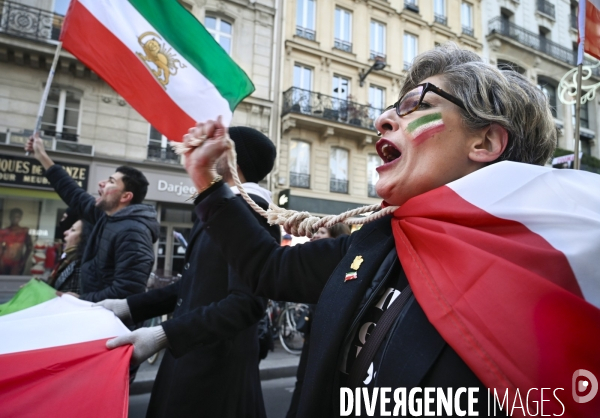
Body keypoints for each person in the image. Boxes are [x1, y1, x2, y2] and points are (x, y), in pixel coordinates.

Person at [179, 44, 600, 417]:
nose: (381, 120)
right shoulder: (377, 238)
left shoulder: (552, 276)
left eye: (417, 104)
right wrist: (208, 185)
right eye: (393, 107)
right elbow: (268, 269)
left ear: (486, 142)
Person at [97, 127, 280, 418]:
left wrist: (162, 334)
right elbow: (192, 286)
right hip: (190, 359)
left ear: (232, 158)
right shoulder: (223, 207)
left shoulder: (252, 211)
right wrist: (125, 306)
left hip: (215, 374)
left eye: (217, 144)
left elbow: (247, 303)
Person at [25, 136, 159, 302]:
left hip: (107, 324)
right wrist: (42, 156)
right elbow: (73, 194)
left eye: (111, 181)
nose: (102, 183)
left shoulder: (133, 232)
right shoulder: (107, 217)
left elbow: (126, 292)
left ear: (126, 196)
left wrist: (82, 300)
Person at [287, 223, 352, 418]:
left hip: (326, 343)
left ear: (336, 240)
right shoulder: (314, 267)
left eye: (321, 233)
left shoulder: (342, 270)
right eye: (315, 232)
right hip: (312, 338)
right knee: (303, 386)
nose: (315, 236)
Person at [47, 219, 88, 293]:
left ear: (84, 237)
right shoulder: (67, 259)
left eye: (73, 230)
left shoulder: (80, 265)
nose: (65, 232)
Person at [0, 208, 33, 275]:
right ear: (10, 217)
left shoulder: (24, 231)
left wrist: (24, 261)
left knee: (14, 281)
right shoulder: (3, 231)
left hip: (17, 262)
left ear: (20, 218)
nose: (15, 218)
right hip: (4, 261)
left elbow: (29, 247)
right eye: (13, 216)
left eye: (17, 216)